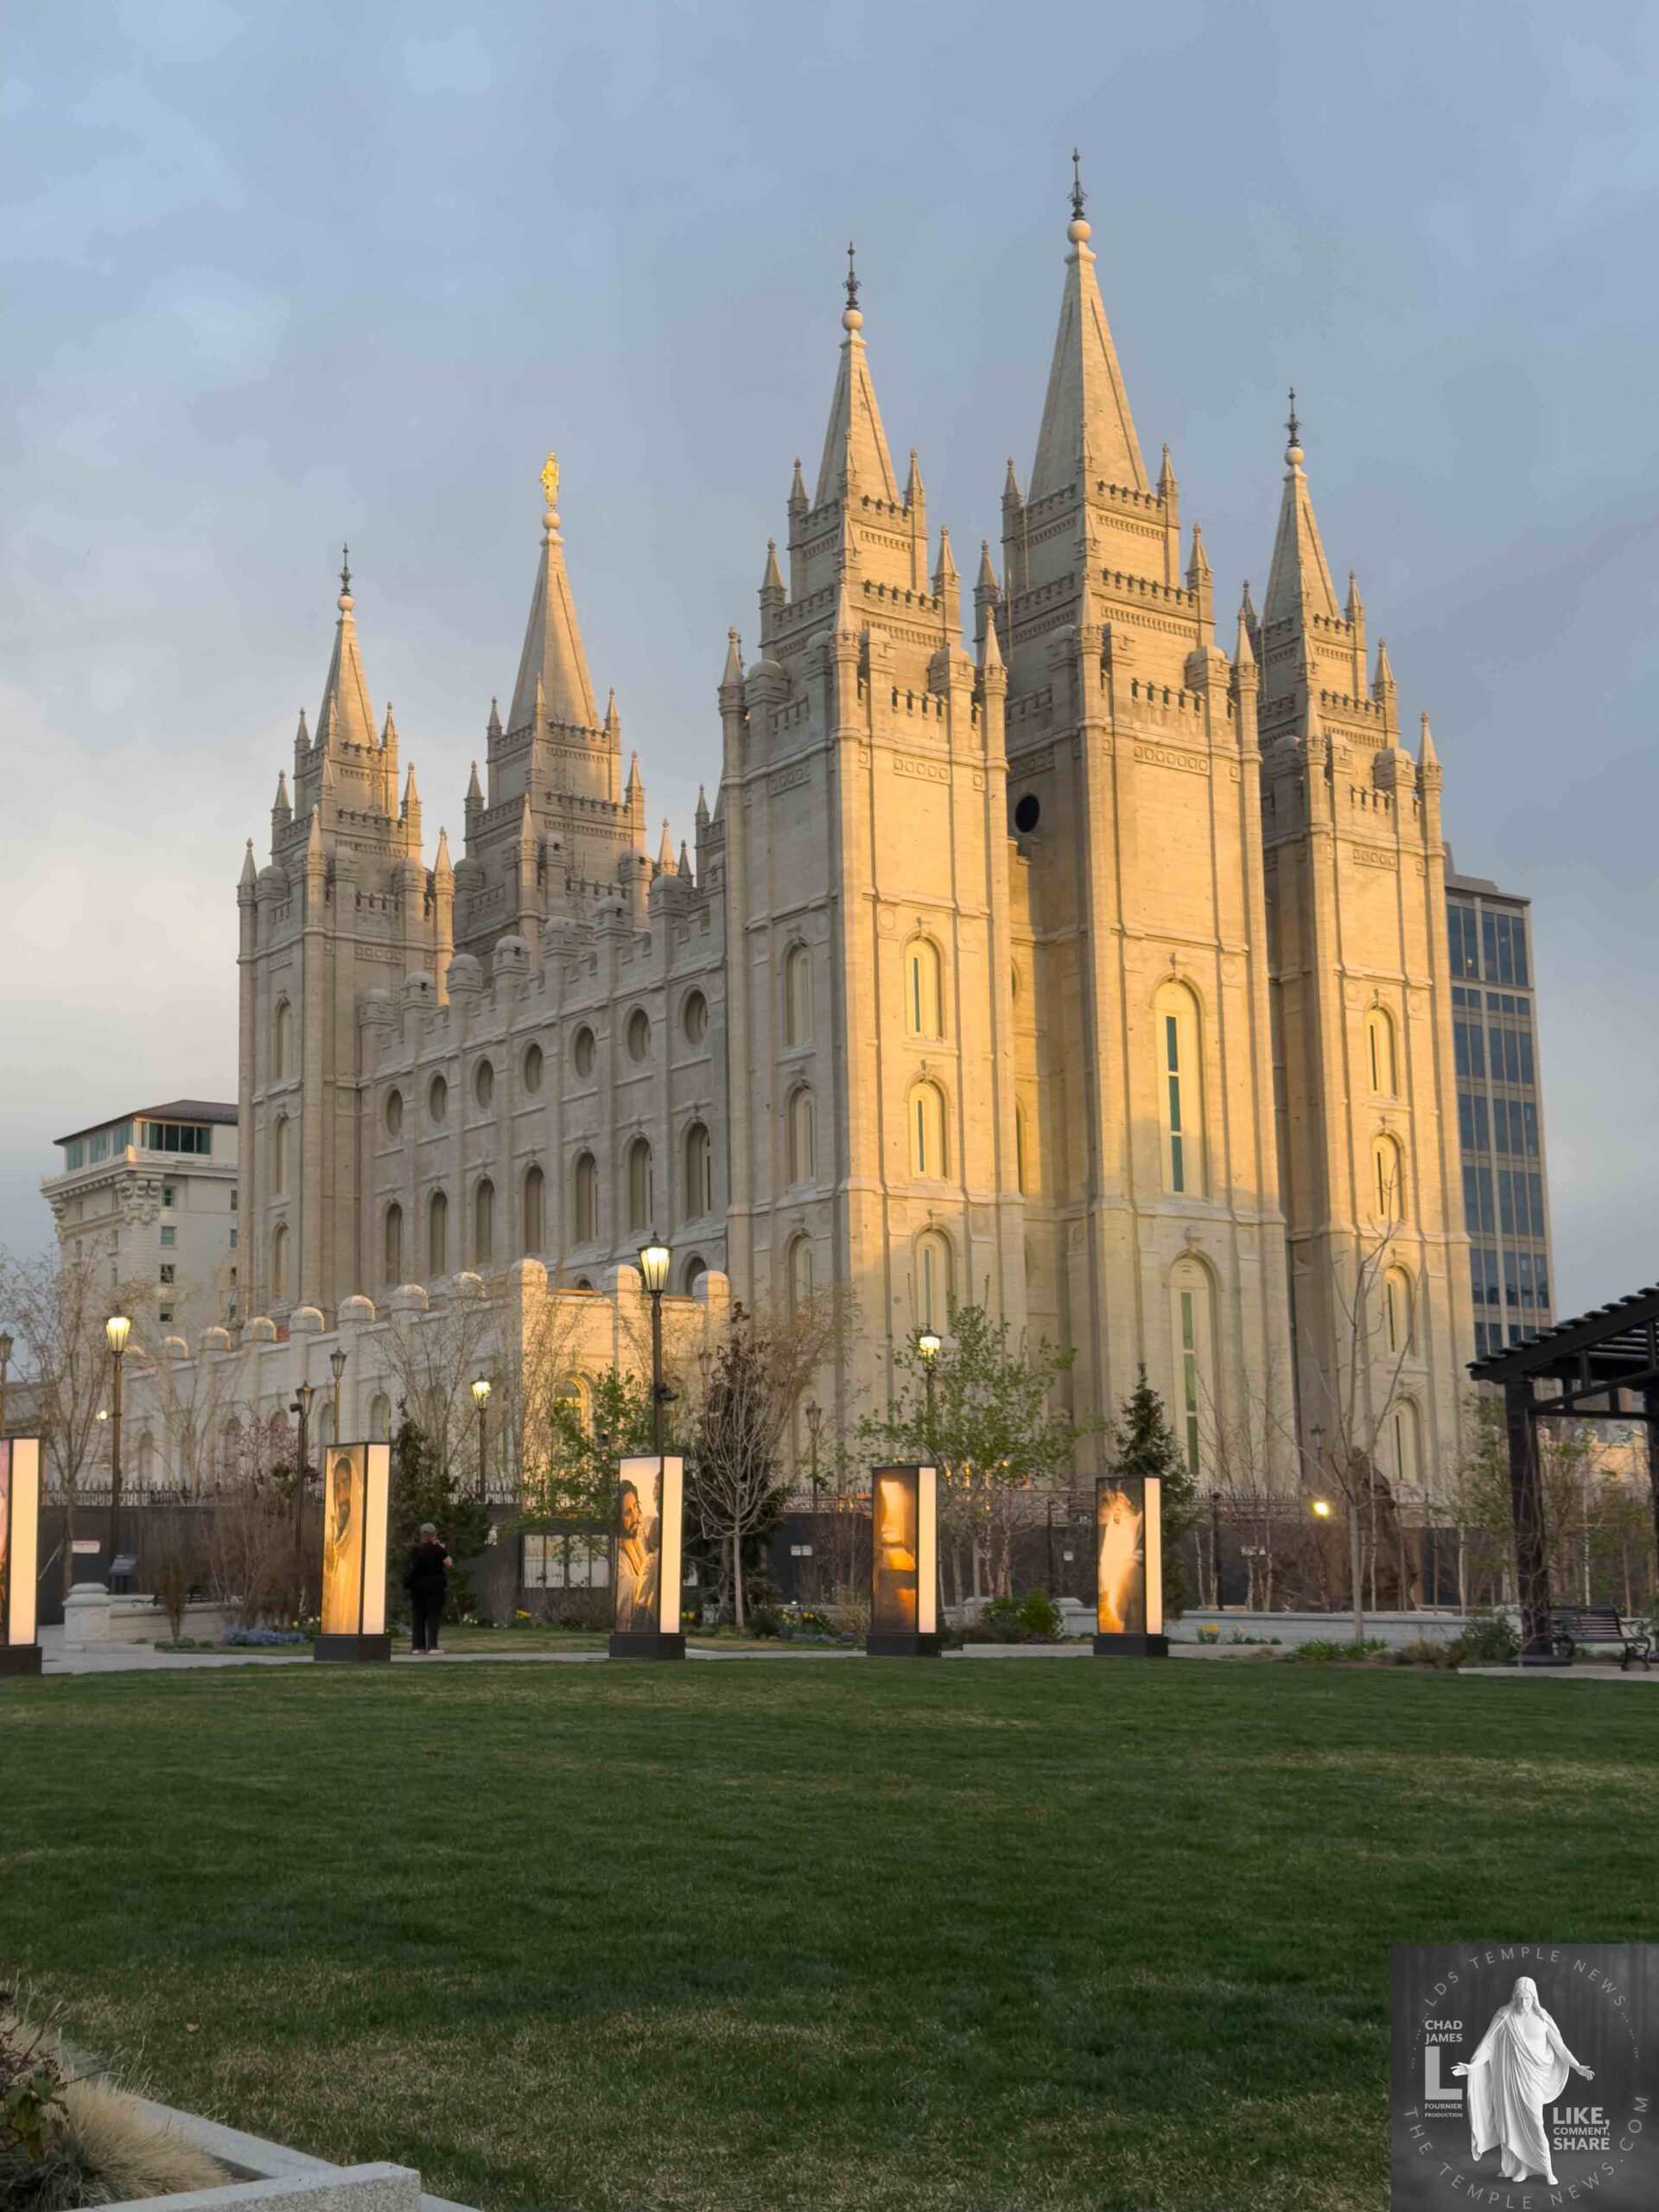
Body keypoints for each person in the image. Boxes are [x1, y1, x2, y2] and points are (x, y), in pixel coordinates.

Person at [1452, 1975, 1594, 2186]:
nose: (1523, 2003)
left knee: (1536, 2123)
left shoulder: (1543, 2018)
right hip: (1509, 2081)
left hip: (1533, 2080)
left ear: (1534, 1998)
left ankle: (1547, 2169)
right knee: (1511, 2123)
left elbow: (1560, 2047)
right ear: (1514, 1997)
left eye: (1527, 1999)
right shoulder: (1504, 2016)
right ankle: (1520, 2168)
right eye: (1520, 1998)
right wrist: (1472, 2066)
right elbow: (1488, 2046)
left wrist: (1577, 2066)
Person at [403, 1521, 453, 1656]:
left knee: (418, 1616)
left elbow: (411, 1568)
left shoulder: (416, 1550)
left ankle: (418, 1647)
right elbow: (449, 1563)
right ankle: (433, 1646)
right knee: (432, 1616)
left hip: (417, 1588)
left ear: (422, 1535)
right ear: (434, 1534)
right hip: (435, 1588)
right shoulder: (439, 1550)